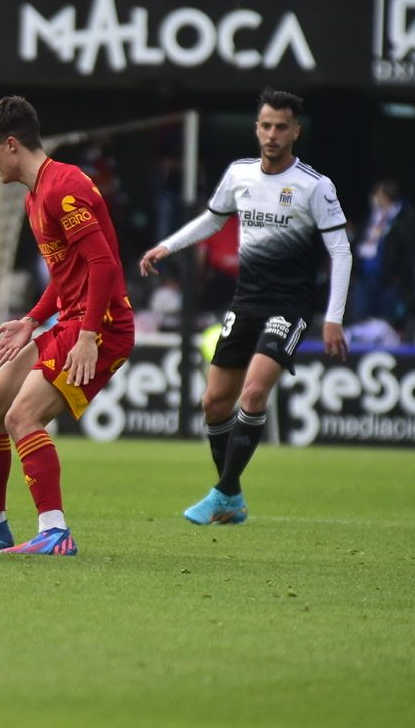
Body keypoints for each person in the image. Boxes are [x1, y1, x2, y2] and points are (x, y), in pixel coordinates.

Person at [140, 88, 351, 526]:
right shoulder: (239, 175)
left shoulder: (315, 186)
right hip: (246, 300)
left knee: (253, 394)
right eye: (265, 125)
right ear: (257, 129)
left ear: (296, 131)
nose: (272, 134)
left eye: (281, 127)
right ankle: (231, 496)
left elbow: (342, 251)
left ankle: (221, 493)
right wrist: (167, 246)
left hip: (290, 305)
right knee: (215, 403)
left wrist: (333, 318)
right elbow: (215, 218)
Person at [0, 96, 136, 557]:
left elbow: (102, 265)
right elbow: (67, 274)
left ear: (12, 144)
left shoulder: (65, 186)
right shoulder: (36, 194)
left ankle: (56, 533)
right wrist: (33, 319)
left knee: (22, 416)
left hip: (102, 327)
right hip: (71, 319)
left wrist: (87, 336)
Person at [351, 179, 415, 327]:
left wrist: (399, 276)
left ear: (384, 195)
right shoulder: (372, 216)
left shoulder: (404, 218)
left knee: (385, 324)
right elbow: (359, 242)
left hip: (388, 282)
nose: (374, 197)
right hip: (364, 279)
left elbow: (410, 250)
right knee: (361, 323)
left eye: (377, 193)